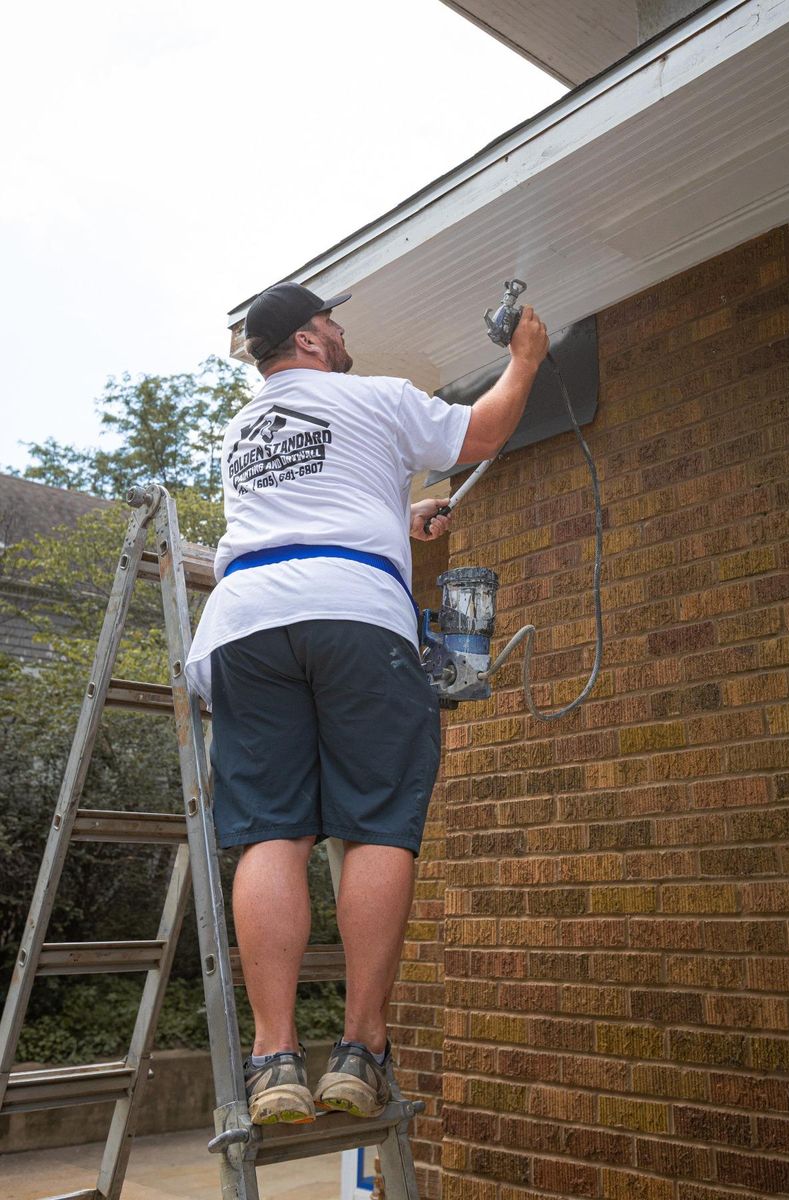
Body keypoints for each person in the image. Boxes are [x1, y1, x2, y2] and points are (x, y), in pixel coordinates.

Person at [184, 281, 549, 1124]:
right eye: (331, 322)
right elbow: (485, 430)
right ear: (309, 341)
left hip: (245, 622)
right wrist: (524, 358)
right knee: (377, 822)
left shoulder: (242, 432)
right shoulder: (373, 397)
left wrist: (396, 509)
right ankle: (358, 1049)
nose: (342, 331)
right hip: (355, 619)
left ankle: (274, 1059)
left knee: (270, 832)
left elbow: (313, 502)